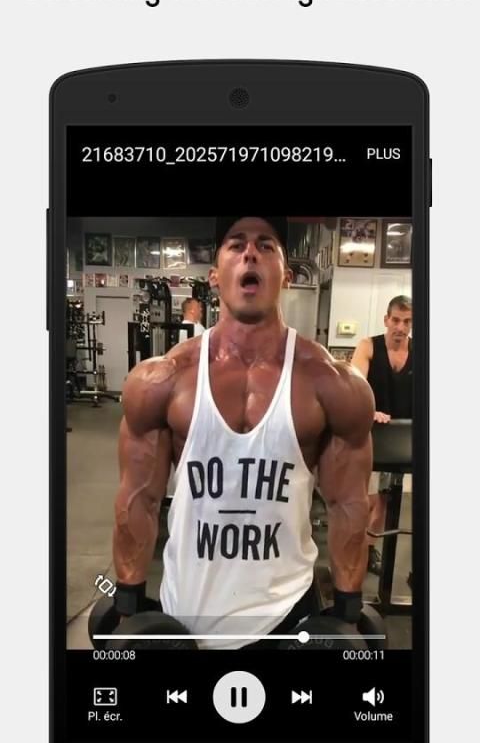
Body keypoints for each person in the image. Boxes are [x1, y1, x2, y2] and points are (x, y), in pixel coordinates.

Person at [112, 216, 375, 649]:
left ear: (286, 276)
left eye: (266, 245)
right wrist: (128, 604)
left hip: (288, 613)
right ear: (215, 275)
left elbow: (348, 503)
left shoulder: (331, 383)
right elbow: (139, 499)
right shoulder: (162, 379)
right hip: (185, 612)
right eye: (236, 244)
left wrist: (346, 611)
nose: (250, 253)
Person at [351, 296, 412, 577]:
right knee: (367, 501)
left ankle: (368, 548)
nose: (401, 327)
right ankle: (355, 549)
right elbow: (354, 384)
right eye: (396, 320)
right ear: (386, 320)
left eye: (407, 321)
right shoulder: (368, 346)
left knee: (386, 502)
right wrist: (370, 408)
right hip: (368, 433)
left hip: (400, 440)